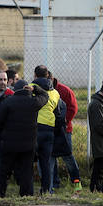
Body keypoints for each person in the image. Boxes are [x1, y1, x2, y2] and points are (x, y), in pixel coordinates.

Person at [0, 79, 49, 197]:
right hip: (28, 144)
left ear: (15, 90)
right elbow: (45, 95)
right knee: (26, 171)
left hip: (9, 143)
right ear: (27, 89)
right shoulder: (34, 102)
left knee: (4, 170)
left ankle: (0, 193)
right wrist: (36, 89)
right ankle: (26, 194)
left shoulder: (8, 102)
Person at [50, 74, 83, 192]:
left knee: (68, 156)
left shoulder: (64, 90)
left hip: (64, 130)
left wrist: (64, 121)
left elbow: (73, 108)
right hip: (49, 129)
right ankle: (54, 183)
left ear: (51, 79)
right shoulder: (42, 90)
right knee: (51, 157)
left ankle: (76, 181)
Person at [33, 65, 60, 194]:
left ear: (35, 75)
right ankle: (46, 190)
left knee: (27, 160)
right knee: (46, 162)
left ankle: (27, 189)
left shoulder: (30, 87)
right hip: (49, 128)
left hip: (34, 126)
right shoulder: (55, 93)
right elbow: (59, 112)